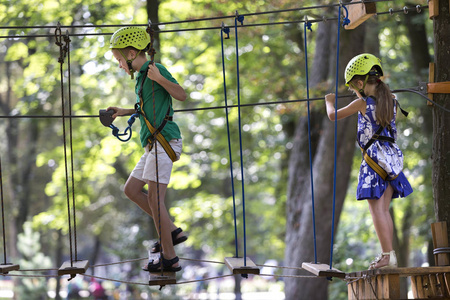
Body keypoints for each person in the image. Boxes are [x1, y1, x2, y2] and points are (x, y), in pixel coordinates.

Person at [106, 26, 187, 272]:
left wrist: (160, 79)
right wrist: (124, 111)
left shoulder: (155, 70)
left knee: (154, 198)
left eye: (120, 59)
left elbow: (181, 94)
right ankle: (171, 231)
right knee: (130, 189)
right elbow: (147, 108)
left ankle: (170, 258)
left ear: (131, 54)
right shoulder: (142, 78)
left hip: (164, 141)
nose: (119, 65)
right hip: (153, 144)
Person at [324, 53, 413, 269]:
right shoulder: (391, 101)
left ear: (360, 83)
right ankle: (389, 255)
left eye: (354, 88)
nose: (355, 92)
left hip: (373, 160)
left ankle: (386, 255)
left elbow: (333, 115)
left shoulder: (361, 103)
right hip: (391, 160)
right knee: (384, 209)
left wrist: (329, 102)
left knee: (377, 211)